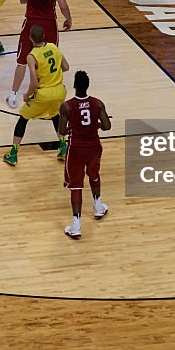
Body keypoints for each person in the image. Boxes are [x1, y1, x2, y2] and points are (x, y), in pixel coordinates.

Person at [7, 0, 71, 107]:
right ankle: (48, 91)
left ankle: (13, 96)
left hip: (31, 22)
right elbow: (62, 6)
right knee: (51, 57)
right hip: (49, 24)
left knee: (22, 61)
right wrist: (69, 19)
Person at [2, 23, 69, 166]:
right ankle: (63, 147)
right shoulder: (53, 47)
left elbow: (34, 83)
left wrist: (26, 95)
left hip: (44, 93)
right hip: (59, 91)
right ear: (44, 36)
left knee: (23, 118)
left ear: (30, 38)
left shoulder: (32, 56)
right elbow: (66, 67)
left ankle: (13, 153)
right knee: (55, 115)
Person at [58, 70, 110, 238]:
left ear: (74, 86)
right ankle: (98, 207)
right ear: (88, 86)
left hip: (76, 149)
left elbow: (62, 131)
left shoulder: (67, 106)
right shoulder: (98, 103)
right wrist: (98, 125)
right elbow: (107, 126)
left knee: (76, 185)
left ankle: (76, 225)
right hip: (94, 146)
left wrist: (72, 126)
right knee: (94, 174)